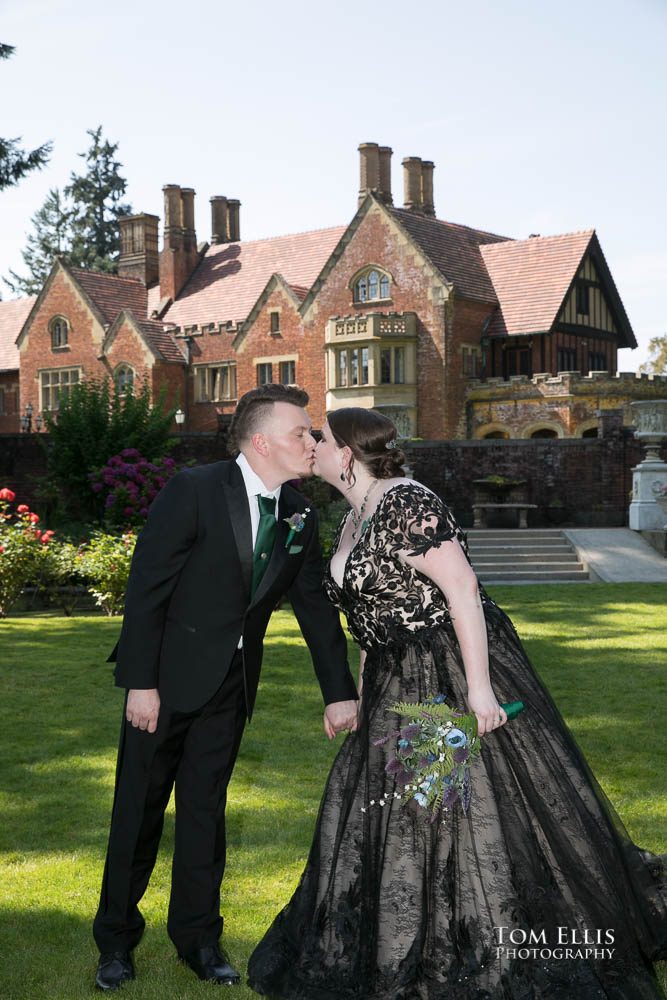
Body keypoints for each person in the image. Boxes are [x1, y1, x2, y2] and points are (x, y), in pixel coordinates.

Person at [248, 407, 666, 999]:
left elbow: (464, 588)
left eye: (320, 437)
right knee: (401, 810)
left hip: (445, 672)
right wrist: (364, 699)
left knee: (462, 807)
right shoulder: (349, 516)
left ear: (346, 450)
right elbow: (370, 626)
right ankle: (412, 939)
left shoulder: (405, 500)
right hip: (394, 682)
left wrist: (478, 690)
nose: (310, 445)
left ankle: (483, 940)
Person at [92, 384, 358, 991]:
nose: (313, 441)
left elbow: (315, 608)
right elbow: (147, 590)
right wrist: (141, 683)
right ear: (262, 442)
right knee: (137, 816)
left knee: (206, 817)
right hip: (162, 685)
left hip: (231, 689)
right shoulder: (194, 489)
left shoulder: (299, 513)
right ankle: (115, 943)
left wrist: (339, 691)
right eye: (302, 432)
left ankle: (198, 941)